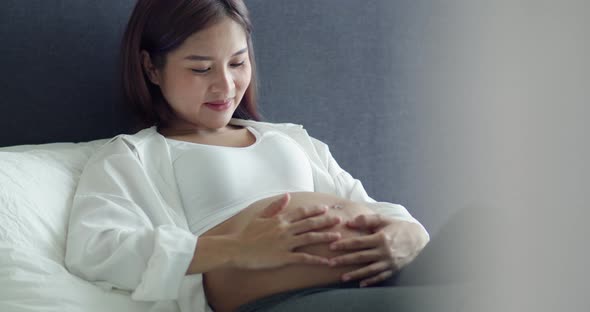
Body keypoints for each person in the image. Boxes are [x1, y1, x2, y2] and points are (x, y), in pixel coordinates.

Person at [64, 1, 430, 311]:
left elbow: (370, 206)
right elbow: (95, 247)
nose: (225, 85)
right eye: (201, 68)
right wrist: (237, 248)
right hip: (289, 300)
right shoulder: (130, 156)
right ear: (151, 68)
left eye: (237, 63)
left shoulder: (290, 138)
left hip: (382, 279)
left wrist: (409, 234)